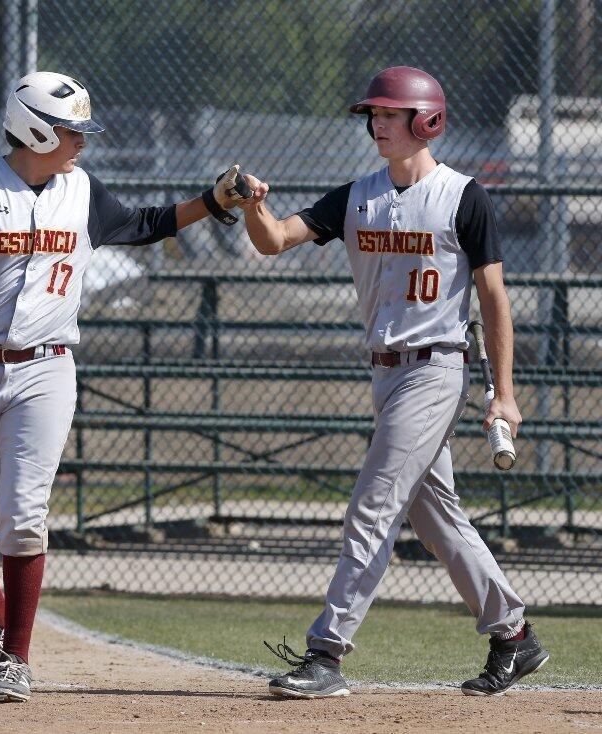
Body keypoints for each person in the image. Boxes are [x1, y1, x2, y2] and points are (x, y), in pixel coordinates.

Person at [0, 70, 252, 703]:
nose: (81, 142)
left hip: (47, 369)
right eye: (70, 130)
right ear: (35, 129)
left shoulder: (80, 190)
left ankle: (15, 656)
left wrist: (213, 200)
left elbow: (148, 223)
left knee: (25, 515)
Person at [240, 66, 548, 698]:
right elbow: (272, 241)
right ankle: (514, 637)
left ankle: (326, 652)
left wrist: (505, 391)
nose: (376, 123)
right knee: (435, 516)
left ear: (425, 121)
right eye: (373, 115)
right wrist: (252, 204)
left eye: (388, 114)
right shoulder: (356, 196)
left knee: (373, 507)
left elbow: (494, 299)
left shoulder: (464, 197)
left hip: (436, 369)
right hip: (385, 374)